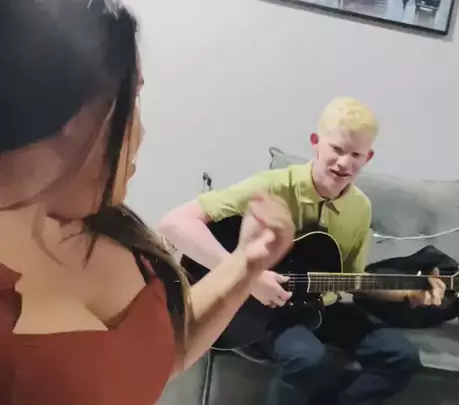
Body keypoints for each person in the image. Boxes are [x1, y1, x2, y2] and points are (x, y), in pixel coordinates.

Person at [0, 1, 296, 404]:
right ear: (74, 114)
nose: (140, 130)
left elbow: (153, 356)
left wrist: (246, 263)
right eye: (132, 98)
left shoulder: (108, 226)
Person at [158, 96, 445, 405]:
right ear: (315, 142)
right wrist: (247, 277)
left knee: (400, 356)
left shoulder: (360, 208)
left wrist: (408, 293)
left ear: (368, 157)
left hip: (319, 305)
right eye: (337, 149)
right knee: (309, 361)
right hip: (263, 312)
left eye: (355, 154)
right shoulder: (272, 187)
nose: (344, 163)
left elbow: (354, 280)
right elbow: (175, 223)